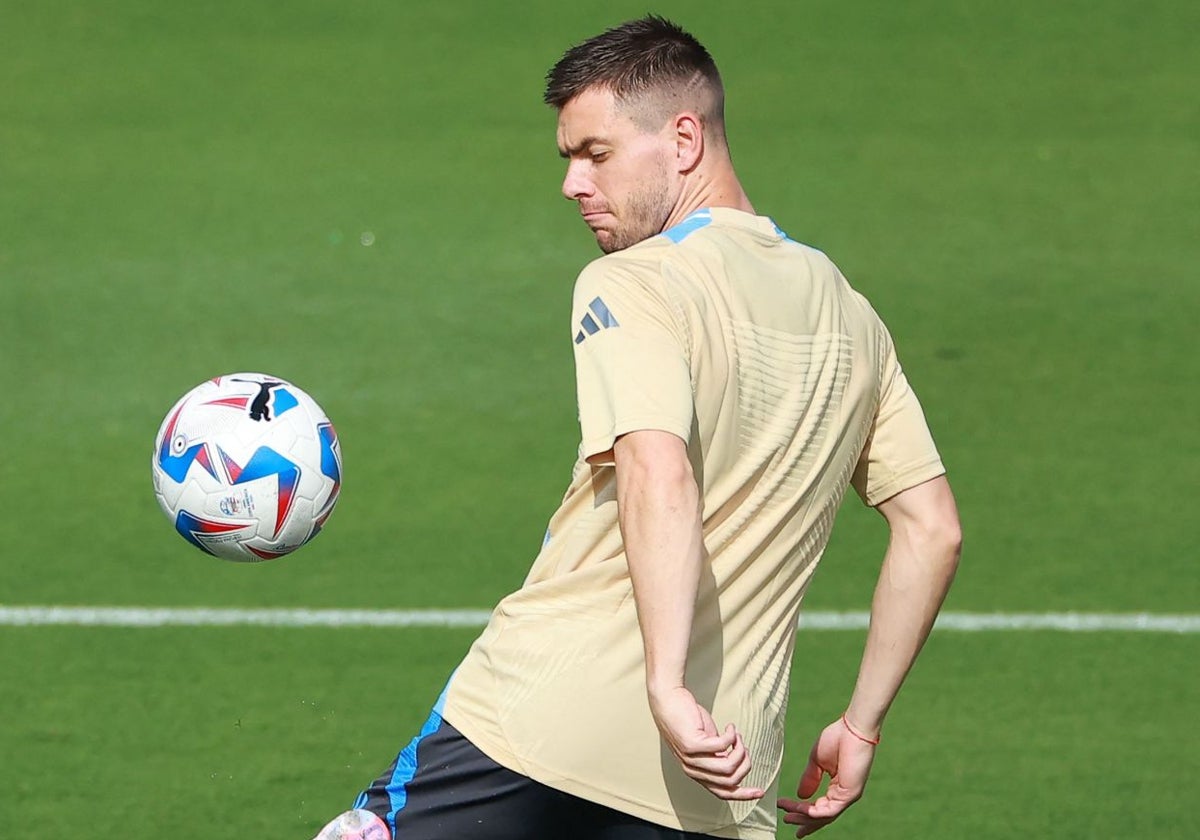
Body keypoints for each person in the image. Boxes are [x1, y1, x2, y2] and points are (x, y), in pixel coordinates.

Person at [313, 15, 961, 840]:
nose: (573, 183)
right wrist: (861, 724)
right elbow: (932, 528)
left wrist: (665, 685)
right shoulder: (852, 316)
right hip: (722, 783)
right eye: (568, 158)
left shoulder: (637, 281)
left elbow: (659, 470)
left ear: (683, 139)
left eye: (597, 153)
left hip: (541, 731)